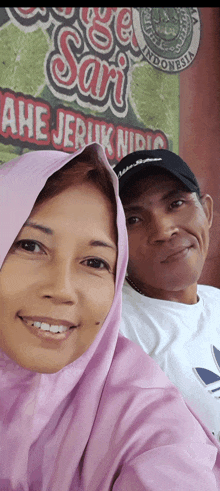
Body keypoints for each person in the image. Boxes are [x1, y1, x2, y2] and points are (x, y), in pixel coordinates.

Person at [1, 144, 220, 491]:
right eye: (30, 245)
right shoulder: (131, 330)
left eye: (94, 262)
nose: (63, 290)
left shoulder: (130, 390)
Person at [114, 148, 220, 442]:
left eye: (175, 203)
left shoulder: (216, 302)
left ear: (207, 212)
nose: (162, 229)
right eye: (133, 219)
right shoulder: (114, 329)